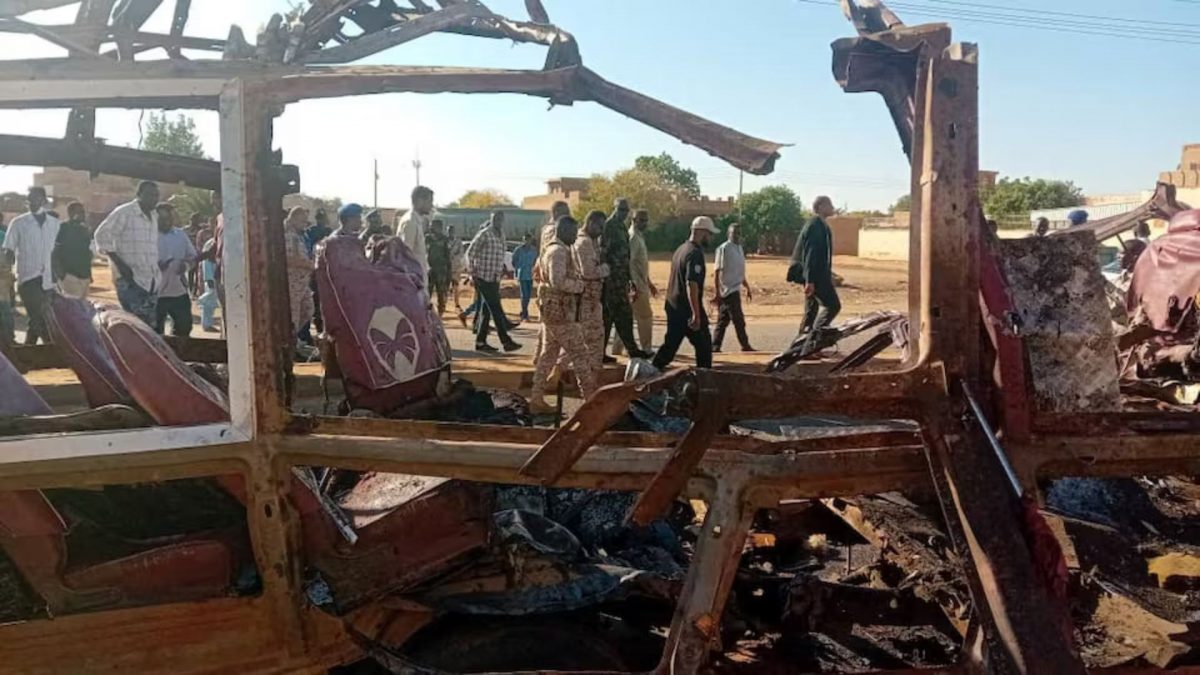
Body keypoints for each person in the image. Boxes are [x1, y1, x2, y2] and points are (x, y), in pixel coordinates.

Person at [529, 216, 597, 413]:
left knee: (548, 355)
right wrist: (579, 286)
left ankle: (536, 398)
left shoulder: (550, 248)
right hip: (559, 312)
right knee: (580, 354)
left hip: (553, 311)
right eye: (573, 232)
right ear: (564, 230)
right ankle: (591, 402)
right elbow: (558, 281)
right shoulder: (558, 251)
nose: (576, 235)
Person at [652, 216, 717, 370]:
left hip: (674, 305)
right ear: (702, 232)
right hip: (686, 308)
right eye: (709, 234)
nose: (711, 238)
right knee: (704, 346)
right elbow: (691, 283)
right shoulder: (695, 253)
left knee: (670, 346)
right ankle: (704, 378)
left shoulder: (681, 249)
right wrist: (696, 313)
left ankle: (651, 371)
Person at [95, 181, 161, 327]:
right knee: (136, 329)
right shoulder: (125, 212)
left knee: (148, 328)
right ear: (139, 195)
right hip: (130, 280)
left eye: (156, 195)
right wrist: (119, 264)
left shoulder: (154, 216)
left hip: (151, 281)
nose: (154, 198)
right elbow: (101, 235)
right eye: (150, 195)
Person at [3, 187, 60, 344]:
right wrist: (6, 277)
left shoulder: (54, 224)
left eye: (36, 198)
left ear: (43, 200)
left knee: (38, 318)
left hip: (48, 280)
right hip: (28, 278)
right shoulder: (19, 223)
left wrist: (57, 271)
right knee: (38, 315)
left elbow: (57, 250)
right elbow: (8, 251)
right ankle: (52, 347)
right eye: (29, 199)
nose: (32, 202)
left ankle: (29, 350)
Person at [601, 198, 651, 360]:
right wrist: (605, 277)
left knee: (622, 316)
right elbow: (603, 253)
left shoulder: (622, 228)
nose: (623, 213)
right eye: (621, 210)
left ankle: (631, 349)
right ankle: (603, 352)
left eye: (625, 210)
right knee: (609, 318)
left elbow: (626, 257)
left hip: (621, 279)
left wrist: (630, 281)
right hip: (610, 281)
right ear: (615, 208)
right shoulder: (608, 226)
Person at [466, 211, 520, 353]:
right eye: (495, 219)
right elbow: (470, 253)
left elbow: (501, 254)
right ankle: (506, 341)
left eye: (500, 219)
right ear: (491, 219)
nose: (498, 221)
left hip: (494, 277)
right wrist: (472, 272)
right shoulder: (484, 233)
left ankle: (480, 342)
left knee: (486, 311)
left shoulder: (501, 235)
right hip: (482, 276)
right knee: (495, 308)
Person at [791, 195, 841, 341]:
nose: (832, 207)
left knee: (811, 310)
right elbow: (811, 254)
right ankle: (813, 341)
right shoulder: (815, 225)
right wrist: (810, 280)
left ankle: (800, 347)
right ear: (820, 207)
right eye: (829, 205)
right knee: (833, 306)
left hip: (814, 274)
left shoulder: (820, 224)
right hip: (814, 275)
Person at [154, 202, 197, 337]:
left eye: (169, 218)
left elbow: (193, 257)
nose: (166, 222)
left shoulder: (180, 235)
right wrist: (155, 266)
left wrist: (185, 266)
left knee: (184, 329)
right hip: (154, 294)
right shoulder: (148, 236)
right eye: (162, 218)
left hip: (178, 291)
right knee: (155, 333)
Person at [574, 210, 610, 367]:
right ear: (590, 223)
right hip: (587, 299)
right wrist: (606, 269)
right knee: (592, 342)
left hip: (591, 298)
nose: (601, 231)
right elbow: (589, 272)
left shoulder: (591, 241)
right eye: (600, 227)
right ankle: (589, 379)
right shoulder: (585, 242)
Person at [712, 222, 755, 352]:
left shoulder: (740, 248)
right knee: (738, 319)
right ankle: (745, 345)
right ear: (728, 234)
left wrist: (747, 287)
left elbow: (739, 271)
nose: (736, 235)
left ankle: (715, 345)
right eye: (734, 233)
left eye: (739, 233)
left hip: (735, 288)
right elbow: (717, 271)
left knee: (723, 320)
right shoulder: (723, 248)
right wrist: (717, 293)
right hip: (727, 289)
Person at [626, 208, 657, 354]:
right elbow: (629, 263)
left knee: (626, 318)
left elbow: (640, 264)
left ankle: (618, 350)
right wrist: (634, 286)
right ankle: (646, 349)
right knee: (645, 317)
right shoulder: (633, 237)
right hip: (637, 286)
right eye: (642, 220)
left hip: (641, 284)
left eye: (646, 220)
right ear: (633, 220)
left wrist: (649, 283)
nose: (645, 223)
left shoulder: (639, 237)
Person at [284, 206, 315, 342]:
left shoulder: (298, 235)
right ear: (294, 218)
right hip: (292, 284)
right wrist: (309, 265)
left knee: (308, 309)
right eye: (303, 221)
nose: (305, 225)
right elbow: (288, 259)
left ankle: (293, 339)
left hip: (302, 283)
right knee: (292, 318)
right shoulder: (287, 234)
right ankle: (290, 343)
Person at [52, 202, 94, 300]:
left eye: (84, 212)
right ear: (71, 213)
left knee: (82, 309)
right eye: (80, 212)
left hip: (84, 276)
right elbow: (54, 251)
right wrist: (61, 274)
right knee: (73, 308)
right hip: (70, 275)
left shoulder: (84, 230)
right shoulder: (63, 228)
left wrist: (89, 275)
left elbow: (87, 253)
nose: (84, 214)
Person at [396, 185, 434, 276]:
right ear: (419, 201)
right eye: (429, 201)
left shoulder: (417, 221)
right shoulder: (410, 222)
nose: (431, 205)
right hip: (413, 281)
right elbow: (406, 256)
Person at [425, 218, 452, 316]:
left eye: (434, 226)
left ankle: (440, 313)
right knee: (427, 292)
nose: (431, 227)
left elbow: (448, 255)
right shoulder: (427, 238)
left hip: (441, 269)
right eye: (431, 225)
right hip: (429, 269)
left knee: (441, 292)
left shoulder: (444, 239)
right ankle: (426, 313)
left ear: (439, 227)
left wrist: (449, 270)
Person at [511, 233, 538, 321]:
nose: (527, 242)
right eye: (525, 240)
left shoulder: (534, 250)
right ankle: (525, 314)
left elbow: (536, 261)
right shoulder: (518, 250)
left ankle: (523, 312)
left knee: (528, 295)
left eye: (528, 240)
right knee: (524, 295)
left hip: (530, 275)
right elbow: (513, 261)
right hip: (522, 274)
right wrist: (518, 268)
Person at [197, 239, 219, 333]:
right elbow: (206, 261)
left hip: (220, 274)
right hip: (212, 275)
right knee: (209, 300)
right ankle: (207, 324)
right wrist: (208, 277)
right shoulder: (211, 243)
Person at [447, 223, 465, 313]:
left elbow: (461, 253)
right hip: (446, 268)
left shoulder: (458, 241)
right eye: (448, 231)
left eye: (451, 231)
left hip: (455, 267)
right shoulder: (444, 241)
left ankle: (457, 303)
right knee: (444, 287)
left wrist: (454, 257)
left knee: (456, 286)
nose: (450, 233)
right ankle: (444, 304)